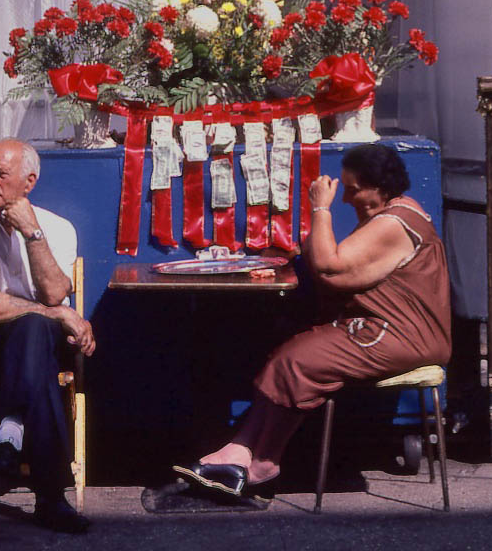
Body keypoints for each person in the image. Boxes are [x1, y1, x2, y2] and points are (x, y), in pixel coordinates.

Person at [174, 142, 451, 498]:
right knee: (288, 348)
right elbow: (341, 271)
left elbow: (329, 266)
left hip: (402, 336)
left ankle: (264, 461)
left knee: (298, 360)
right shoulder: (393, 213)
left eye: (353, 190)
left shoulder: (394, 222)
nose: (346, 199)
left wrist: (320, 207)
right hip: (384, 330)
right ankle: (240, 449)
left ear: (379, 188)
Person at [0, 138, 95, 532]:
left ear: (28, 182)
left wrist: (32, 233)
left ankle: (11, 426)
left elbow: (53, 291)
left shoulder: (57, 229)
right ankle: (50, 498)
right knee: (36, 329)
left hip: (39, 346)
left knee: (34, 330)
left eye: (0, 173)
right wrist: (57, 314)